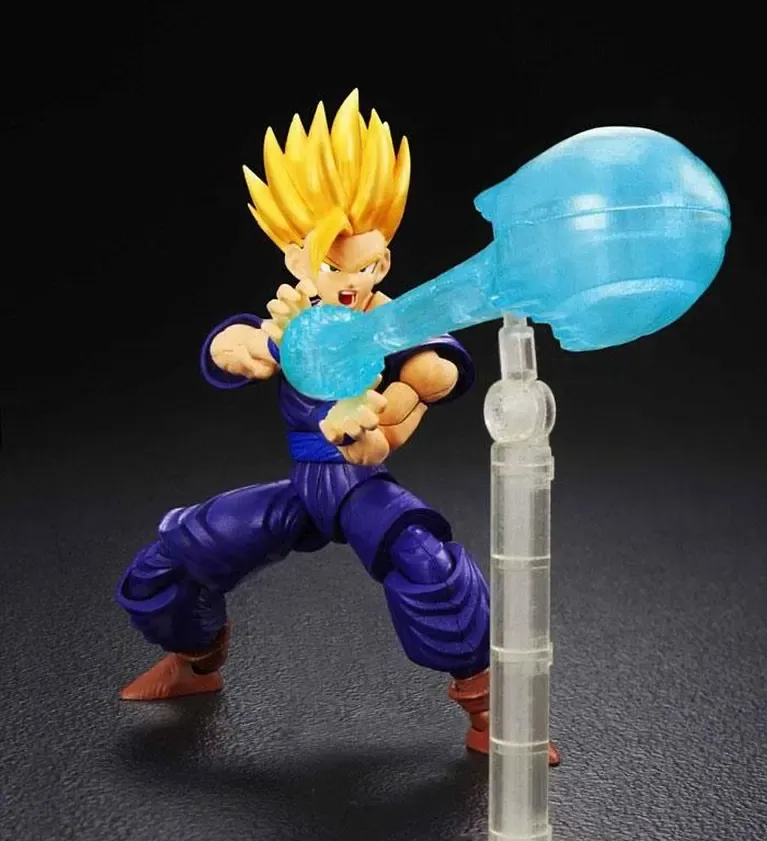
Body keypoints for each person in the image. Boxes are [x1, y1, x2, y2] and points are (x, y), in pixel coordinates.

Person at [115, 88, 560, 765]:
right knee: (179, 552)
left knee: (428, 562)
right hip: (303, 486)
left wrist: (391, 402)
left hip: (359, 485)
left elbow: (433, 375)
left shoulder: (394, 322)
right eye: (332, 265)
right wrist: (252, 347)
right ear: (296, 258)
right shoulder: (290, 320)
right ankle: (195, 659)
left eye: (370, 263)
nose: (353, 280)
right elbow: (233, 346)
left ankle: (492, 711)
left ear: (385, 259)